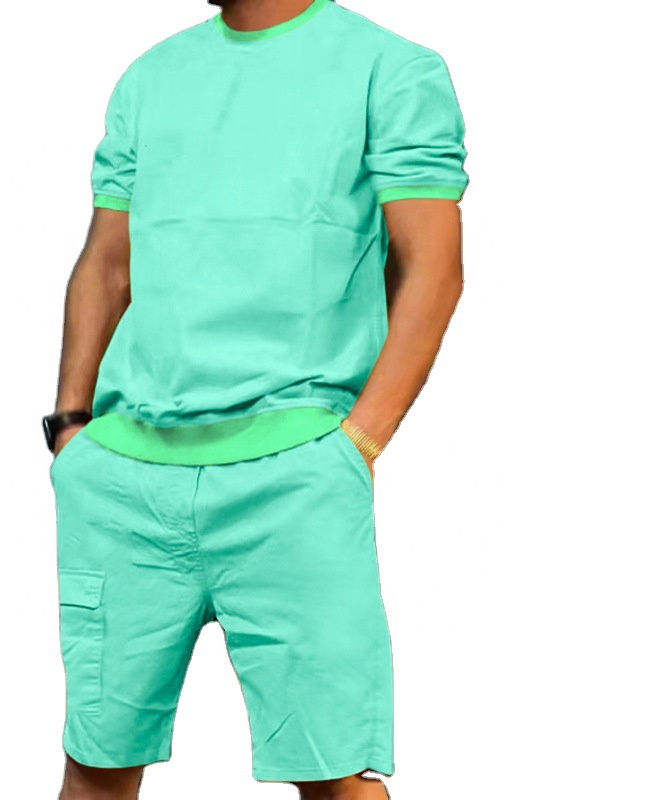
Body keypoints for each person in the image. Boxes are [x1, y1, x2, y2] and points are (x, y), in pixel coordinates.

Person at [44, 1, 467, 797]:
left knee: (335, 773)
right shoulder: (150, 76)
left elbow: (434, 270)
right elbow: (106, 262)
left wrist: (357, 443)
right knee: (95, 766)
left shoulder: (391, 70)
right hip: (122, 481)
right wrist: (71, 426)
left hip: (293, 479)